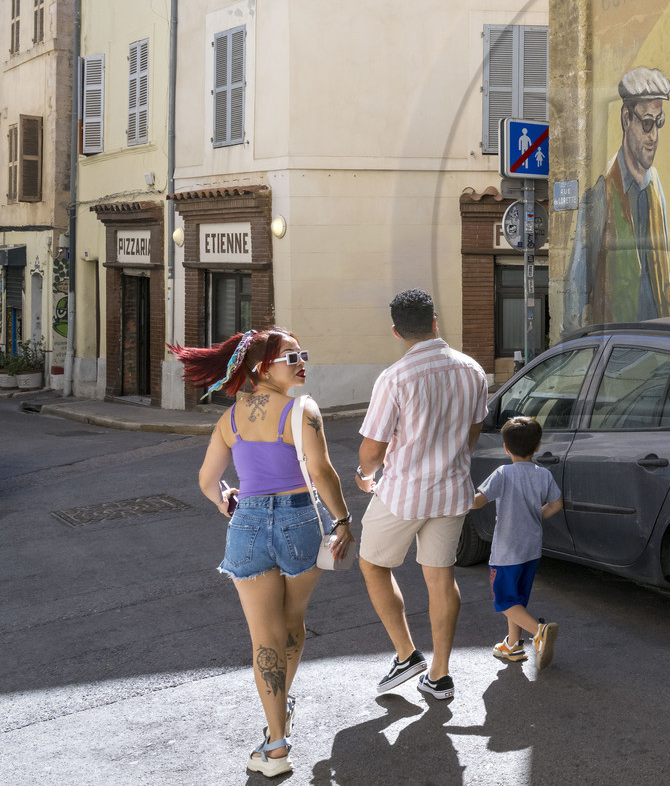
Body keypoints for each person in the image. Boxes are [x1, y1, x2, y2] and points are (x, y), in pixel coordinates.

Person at [179, 328, 352, 778]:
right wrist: (343, 520)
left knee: (265, 637)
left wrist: (225, 501)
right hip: (300, 521)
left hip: (248, 524)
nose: (300, 362)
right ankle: (281, 709)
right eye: (289, 357)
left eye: (301, 354)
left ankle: (276, 746)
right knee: (292, 623)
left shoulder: (231, 419)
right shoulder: (302, 410)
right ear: (262, 367)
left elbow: (206, 480)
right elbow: (322, 472)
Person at [355, 289, 487, 702]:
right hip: (451, 491)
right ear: (435, 321)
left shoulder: (394, 377)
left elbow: (372, 450)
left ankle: (406, 653)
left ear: (396, 331)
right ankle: (440, 674)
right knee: (441, 577)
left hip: (403, 493)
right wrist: (453, 461)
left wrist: (364, 475)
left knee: (373, 564)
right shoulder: (473, 370)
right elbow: (473, 432)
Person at [564, 66, 670, 333]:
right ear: (626, 119)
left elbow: (655, 286)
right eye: (646, 123)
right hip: (616, 359)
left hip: (658, 354)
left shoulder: (656, 192)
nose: (653, 136)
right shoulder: (599, 196)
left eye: (658, 123)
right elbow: (575, 293)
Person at [469, 416, 564, 671]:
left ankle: (538, 631)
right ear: (537, 447)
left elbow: (479, 501)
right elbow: (557, 504)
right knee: (516, 601)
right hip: (531, 550)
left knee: (503, 600)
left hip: (506, 552)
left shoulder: (503, 473)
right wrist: (536, 515)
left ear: (506, 448)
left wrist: (462, 495)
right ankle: (513, 645)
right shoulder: (542, 474)